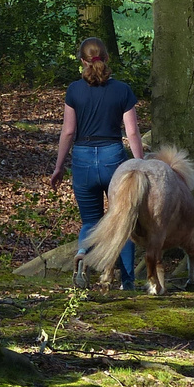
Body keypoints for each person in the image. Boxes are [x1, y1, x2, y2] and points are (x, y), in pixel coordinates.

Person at [49, 37, 145, 289]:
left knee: (90, 221)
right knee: (121, 221)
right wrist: (140, 164)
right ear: (107, 58)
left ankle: (82, 253)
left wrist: (59, 167)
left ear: (82, 61)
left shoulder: (74, 90)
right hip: (113, 157)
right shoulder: (122, 90)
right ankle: (127, 282)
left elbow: (68, 132)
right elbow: (132, 133)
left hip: (82, 159)